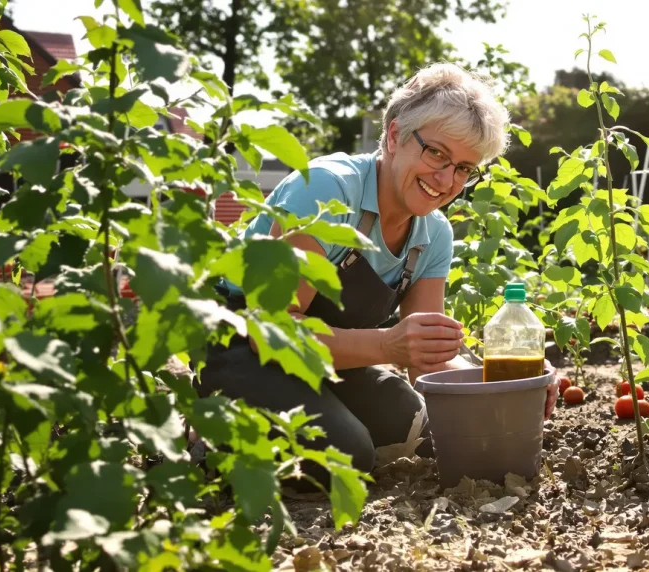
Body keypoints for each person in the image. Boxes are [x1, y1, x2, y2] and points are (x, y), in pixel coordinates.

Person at [198, 62, 559, 490]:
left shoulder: (432, 235)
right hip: (239, 345)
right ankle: (211, 435)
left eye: (464, 168)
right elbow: (269, 332)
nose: (446, 180)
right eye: (437, 153)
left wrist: (507, 386)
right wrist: (387, 344)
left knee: (414, 426)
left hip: (331, 360)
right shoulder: (327, 193)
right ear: (393, 136)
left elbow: (433, 358)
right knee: (348, 455)